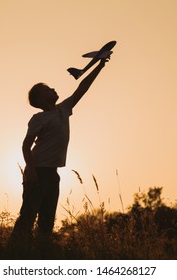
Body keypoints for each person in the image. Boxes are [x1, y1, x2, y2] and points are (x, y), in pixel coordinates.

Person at [8, 56, 110, 258]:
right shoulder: (38, 119)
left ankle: (41, 256)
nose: (53, 89)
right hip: (38, 172)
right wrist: (31, 172)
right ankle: (13, 255)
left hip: (52, 173)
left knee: (47, 220)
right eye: (47, 89)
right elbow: (26, 146)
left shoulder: (64, 109)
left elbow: (83, 88)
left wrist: (99, 66)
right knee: (28, 217)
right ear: (40, 100)